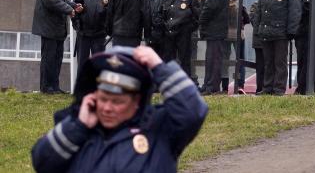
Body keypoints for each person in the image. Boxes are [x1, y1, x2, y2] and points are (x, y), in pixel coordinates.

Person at [31, 45, 208, 172]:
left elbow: (193, 111)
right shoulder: (76, 130)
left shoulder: (158, 127)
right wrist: (78, 126)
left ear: (136, 100)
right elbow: (42, 162)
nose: (107, 108)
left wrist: (159, 67)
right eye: (103, 99)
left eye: (117, 101)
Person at [254, 0, 302, 96]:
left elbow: (295, 11)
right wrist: (258, 29)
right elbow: (260, 10)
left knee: (279, 63)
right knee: (268, 62)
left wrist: (291, 32)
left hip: (281, 32)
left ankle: (279, 89)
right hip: (266, 31)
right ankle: (267, 87)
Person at [32, 0, 77, 94]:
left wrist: (74, 5)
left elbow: (61, 0)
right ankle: (46, 87)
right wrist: (69, 9)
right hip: (48, 28)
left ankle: (55, 87)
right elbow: (50, 0)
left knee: (57, 59)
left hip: (57, 29)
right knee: (49, 59)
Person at [198, 0, 231, 95]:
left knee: (214, 57)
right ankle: (207, 84)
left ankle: (212, 86)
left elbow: (210, 6)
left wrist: (201, 21)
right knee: (210, 57)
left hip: (215, 25)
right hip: (214, 26)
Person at [162, 0, 200, 77]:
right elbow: (163, 12)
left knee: (184, 61)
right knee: (169, 61)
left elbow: (197, 15)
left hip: (183, 33)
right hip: (169, 33)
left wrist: (188, 28)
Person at [72, 0, 112, 72]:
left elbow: (111, 14)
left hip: (99, 35)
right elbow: (74, 7)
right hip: (83, 34)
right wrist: (77, 10)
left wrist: (108, 30)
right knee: (82, 64)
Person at [221, 0, 250, 93]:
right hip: (239, 35)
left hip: (225, 35)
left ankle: (224, 87)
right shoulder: (240, 4)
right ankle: (240, 85)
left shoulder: (221, 5)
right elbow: (247, 19)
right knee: (240, 60)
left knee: (225, 60)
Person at [292, 0, 311, 95]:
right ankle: (301, 87)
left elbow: (304, 8)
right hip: (300, 31)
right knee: (301, 61)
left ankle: (303, 88)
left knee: (306, 61)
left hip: (308, 31)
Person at [187, 0, 204, 87]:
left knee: (191, 56)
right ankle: (192, 78)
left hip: (191, 29)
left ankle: (192, 78)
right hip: (192, 29)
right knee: (191, 56)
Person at [249, 2, 264, 94]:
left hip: (269, 40)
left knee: (269, 66)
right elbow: (254, 22)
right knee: (261, 67)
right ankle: (260, 88)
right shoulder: (255, 5)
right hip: (259, 42)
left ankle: (266, 87)